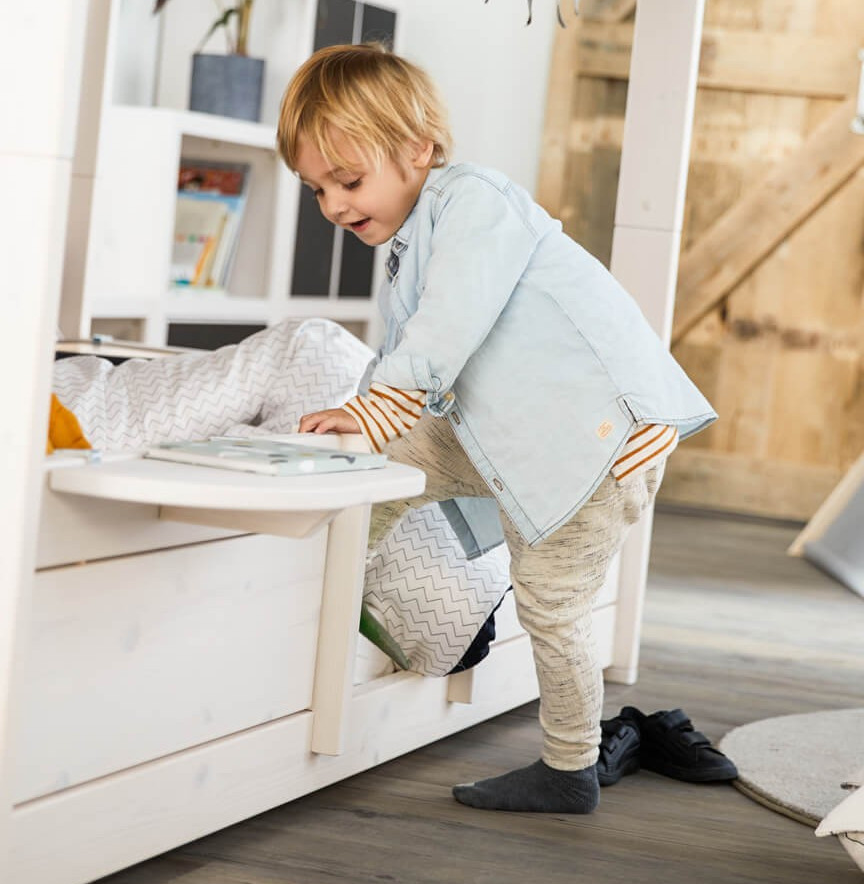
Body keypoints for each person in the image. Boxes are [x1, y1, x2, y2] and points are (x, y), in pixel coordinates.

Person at [278, 43, 716, 815]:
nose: (335, 206)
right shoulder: (412, 240)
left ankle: (570, 767)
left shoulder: (476, 202)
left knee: (551, 601)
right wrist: (366, 411)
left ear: (419, 149)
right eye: (318, 190)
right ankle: (319, 596)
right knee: (368, 465)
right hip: (512, 435)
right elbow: (404, 344)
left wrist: (380, 406)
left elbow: (449, 321)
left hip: (597, 443)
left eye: (348, 180)